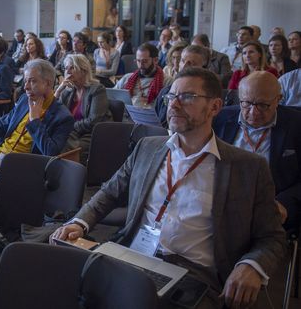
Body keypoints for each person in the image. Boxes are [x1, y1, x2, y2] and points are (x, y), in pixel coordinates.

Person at [51, 68, 287, 309]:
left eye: (187, 97)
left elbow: (272, 237)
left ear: (215, 107)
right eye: (171, 97)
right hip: (131, 256)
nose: (173, 105)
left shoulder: (248, 167)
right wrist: (79, 222)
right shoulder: (148, 148)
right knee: (64, 288)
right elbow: (109, 193)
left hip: (193, 273)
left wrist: (251, 265)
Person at [214, 71, 301, 230]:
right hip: (221, 204)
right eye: (246, 103)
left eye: (262, 105)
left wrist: (285, 203)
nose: (253, 113)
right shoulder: (220, 119)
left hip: (269, 210)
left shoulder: (296, 125)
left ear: (278, 100)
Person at [0, 59, 74, 182]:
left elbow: (50, 152)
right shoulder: (24, 99)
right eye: (26, 81)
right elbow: (2, 123)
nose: (25, 87)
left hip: (22, 167)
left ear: (47, 83)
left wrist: (35, 121)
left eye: (32, 81)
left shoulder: (63, 117)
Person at [55, 54, 109, 164]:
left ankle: (69, 178)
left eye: (72, 68)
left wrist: (69, 127)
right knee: (50, 142)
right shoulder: (67, 92)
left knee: (61, 147)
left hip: (90, 135)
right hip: (71, 133)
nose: (68, 72)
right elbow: (55, 116)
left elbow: (94, 121)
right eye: (66, 68)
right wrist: (58, 92)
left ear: (83, 70)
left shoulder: (97, 90)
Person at [155, 45, 211, 128]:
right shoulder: (166, 92)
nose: (184, 66)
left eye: (191, 63)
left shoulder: (207, 95)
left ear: (204, 68)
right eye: (182, 61)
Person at [114, 43, 172, 108]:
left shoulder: (167, 81)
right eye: (138, 61)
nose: (141, 65)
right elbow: (112, 97)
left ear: (155, 60)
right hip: (126, 115)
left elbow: (167, 106)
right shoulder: (127, 78)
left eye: (145, 61)